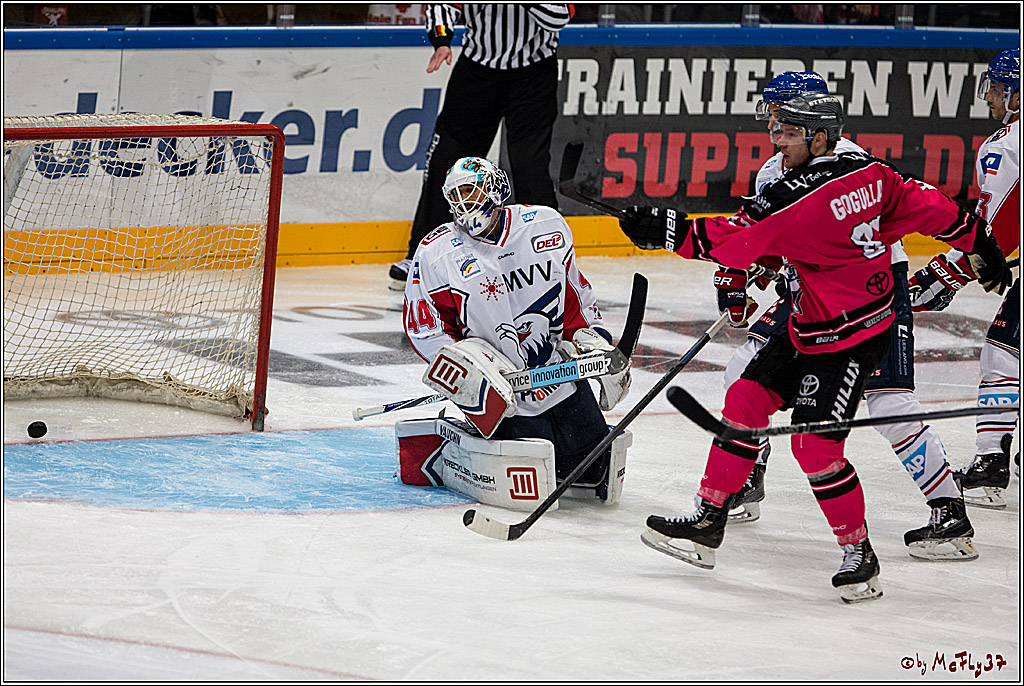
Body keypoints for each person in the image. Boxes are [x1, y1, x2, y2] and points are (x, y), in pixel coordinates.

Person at [617, 93, 1011, 602]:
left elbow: (738, 237)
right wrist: (981, 244)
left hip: (852, 337)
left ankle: (859, 554)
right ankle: (709, 519)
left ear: (818, 137)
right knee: (745, 399)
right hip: (809, 318)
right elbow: (933, 208)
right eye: (776, 129)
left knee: (815, 446)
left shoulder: (802, 196)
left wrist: (666, 230)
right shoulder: (869, 171)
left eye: (787, 132)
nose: (776, 141)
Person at [722, 72, 976, 563]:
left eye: (779, 115)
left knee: (888, 402)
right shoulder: (774, 170)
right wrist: (751, 269)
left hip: (870, 294)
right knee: (745, 373)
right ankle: (747, 477)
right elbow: (776, 236)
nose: (772, 126)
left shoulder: (851, 164)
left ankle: (949, 509)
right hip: (811, 295)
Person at [397, 157, 632, 508]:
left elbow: (573, 294)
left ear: (496, 189)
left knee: (593, 464)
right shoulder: (436, 253)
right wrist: (467, 372)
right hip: (501, 391)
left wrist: (592, 339)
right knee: (535, 471)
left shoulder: (545, 226)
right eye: (456, 196)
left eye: (471, 191)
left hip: (559, 376)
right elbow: (425, 328)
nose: (464, 203)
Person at [389, 4, 572, 291]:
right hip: (477, 71)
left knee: (529, 166)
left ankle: (548, 258)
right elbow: (443, 6)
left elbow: (559, 16)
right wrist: (442, 39)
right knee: (445, 163)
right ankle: (422, 256)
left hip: (533, 75)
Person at [909, 48, 1020, 508]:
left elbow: (997, 233)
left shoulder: (1007, 145)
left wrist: (945, 274)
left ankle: (991, 462)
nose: (988, 97)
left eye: (996, 88)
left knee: (1004, 352)